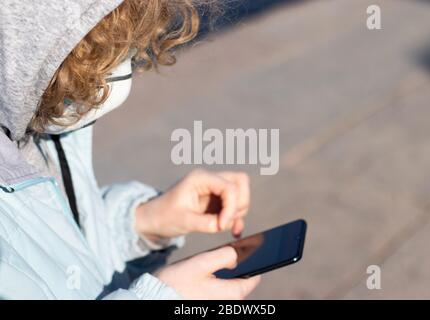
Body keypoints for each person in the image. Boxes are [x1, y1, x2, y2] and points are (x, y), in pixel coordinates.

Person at [0, 0, 260, 299]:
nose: (117, 76)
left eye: (125, 51)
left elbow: (58, 258)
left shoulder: (40, 126)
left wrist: (142, 223)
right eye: (95, 55)